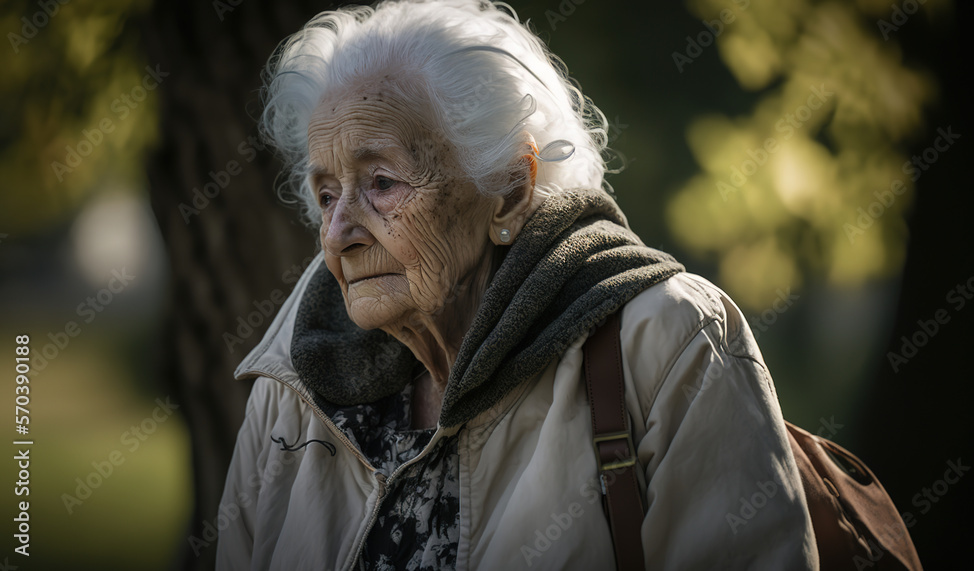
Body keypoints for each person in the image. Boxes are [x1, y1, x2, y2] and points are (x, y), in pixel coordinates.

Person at [216, 1, 819, 569]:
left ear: (508, 191)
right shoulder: (295, 378)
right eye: (326, 194)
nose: (338, 232)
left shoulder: (668, 343)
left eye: (381, 181)